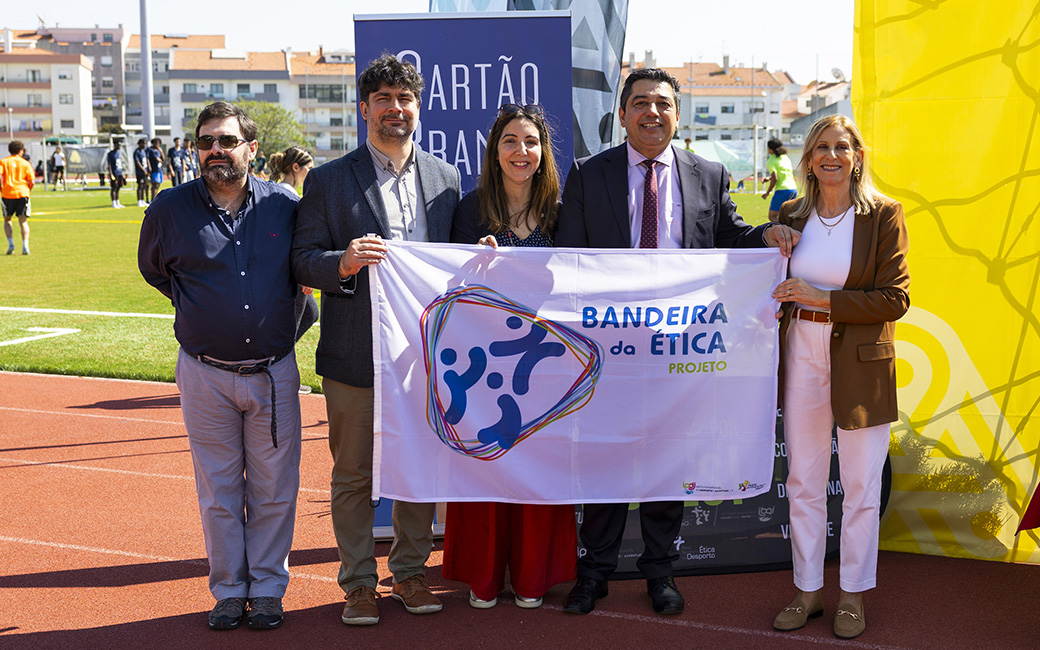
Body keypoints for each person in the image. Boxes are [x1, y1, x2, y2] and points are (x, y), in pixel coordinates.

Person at [555, 67, 800, 616]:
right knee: (607, 463)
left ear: (677, 114)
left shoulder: (707, 174)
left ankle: (660, 573)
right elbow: (571, 258)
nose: (652, 113)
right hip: (609, 350)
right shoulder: (588, 175)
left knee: (669, 463)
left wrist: (769, 236)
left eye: (663, 104)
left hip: (679, 351)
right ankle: (592, 574)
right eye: (640, 103)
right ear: (622, 115)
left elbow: (733, 236)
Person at [291, 53, 461, 626]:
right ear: (364, 109)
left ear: (419, 108)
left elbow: (453, 264)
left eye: (405, 99)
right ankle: (359, 583)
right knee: (354, 477)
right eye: (384, 99)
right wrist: (340, 263)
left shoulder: (445, 178)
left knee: (419, 470)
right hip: (354, 355)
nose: (396, 109)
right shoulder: (329, 179)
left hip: (425, 359)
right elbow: (300, 260)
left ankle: (410, 573)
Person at [138, 101, 303, 632]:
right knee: (219, 490)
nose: (215, 150)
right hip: (205, 374)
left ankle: (270, 589)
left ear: (251, 149)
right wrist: (204, 312)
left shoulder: (285, 205)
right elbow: (155, 271)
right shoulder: (168, 209)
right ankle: (230, 590)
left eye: (227, 141)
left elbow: (304, 276)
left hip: (273, 372)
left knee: (275, 488)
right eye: (206, 141)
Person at [770, 114, 909, 640]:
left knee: (860, 484)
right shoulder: (790, 213)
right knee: (803, 479)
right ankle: (807, 591)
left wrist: (821, 297)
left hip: (861, 361)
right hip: (800, 351)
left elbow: (895, 298)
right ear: (808, 159)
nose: (831, 155)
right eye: (821, 147)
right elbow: (767, 276)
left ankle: (852, 595)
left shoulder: (884, 215)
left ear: (857, 157)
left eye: (842, 147)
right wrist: (769, 237)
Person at [444, 103, 576, 610]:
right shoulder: (469, 208)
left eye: (531, 142)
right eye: (510, 141)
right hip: (484, 366)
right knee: (486, 468)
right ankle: (482, 575)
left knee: (539, 472)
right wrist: (470, 263)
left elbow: (581, 281)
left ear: (543, 153)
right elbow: (450, 287)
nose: (521, 152)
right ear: (494, 151)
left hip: (544, 365)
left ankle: (533, 576)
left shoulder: (564, 212)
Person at [269, 145, 319, 392]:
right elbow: (287, 238)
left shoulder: (284, 193)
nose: (312, 172)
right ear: (295, 167)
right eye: (309, 168)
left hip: (289, 270)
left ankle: (273, 365)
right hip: (290, 273)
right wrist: (304, 273)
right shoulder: (287, 196)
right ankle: (280, 375)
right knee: (290, 326)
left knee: (309, 314)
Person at [1, 140, 35, 255]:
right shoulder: (25, 163)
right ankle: (25, 246)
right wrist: (28, 189)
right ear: (21, 151)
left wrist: (2, 188)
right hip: (22, 193)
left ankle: (11, 244)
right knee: (23, 221)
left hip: (7, 193)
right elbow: (32, 180)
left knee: (7, 220)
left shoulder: (4, 162)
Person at [762, 138, 799, 222]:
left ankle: (783, 233)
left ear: (770, 149)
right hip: (793, 189)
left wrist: (767, 192)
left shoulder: (771, 160)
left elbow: (775, 178)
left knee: (772, 216)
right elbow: (782, 173)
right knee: (789, 217)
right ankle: (792, 232)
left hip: (782, 191)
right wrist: (769, 178)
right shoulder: (785, 157)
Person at [107, 142, 126, 209]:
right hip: (114, 173)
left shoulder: (119, 153)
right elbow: (109, 164)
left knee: (118, 188)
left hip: (119, 172)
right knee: (114, 188)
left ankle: (117, 202)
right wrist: (111, 174)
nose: (119, 146)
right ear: (115, 145)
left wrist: (122, 173)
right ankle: (113, 202)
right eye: (118, 145)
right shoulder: (110, 154)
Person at [147, 138, 165, 202]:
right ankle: (153, 198)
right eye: (156, 143)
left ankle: (155, 198)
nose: (157, 145)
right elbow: (148, 158)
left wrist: (160, 150)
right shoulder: (150, 150)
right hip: (154, 169)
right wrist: (149, 168)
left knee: (158, 185)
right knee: (155, 184)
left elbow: (163, 158)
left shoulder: (158, 150)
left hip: (159, 169)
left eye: (158, 143)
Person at [133, 138, 150, 207]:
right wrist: (143, 170)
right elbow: (138, 162)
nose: (144, 145)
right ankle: (139, 200)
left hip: (145, 171)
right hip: (140, 172)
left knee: (144, 186)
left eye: (145, 143)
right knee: (140, 186)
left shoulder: (144, 151)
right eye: (143, 143)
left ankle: (143, 200)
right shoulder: (137, 152)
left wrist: (147, 170)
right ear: (139, 144)